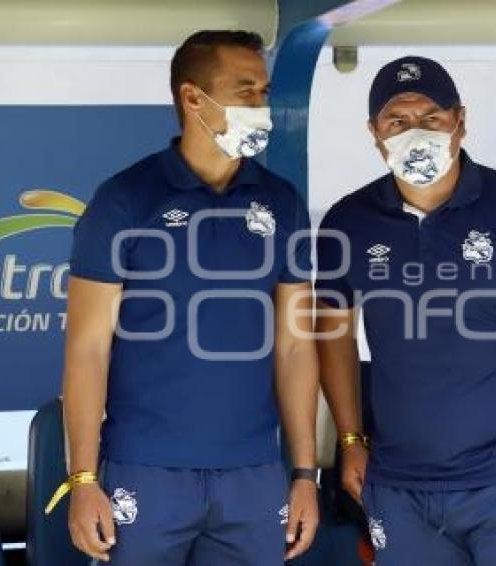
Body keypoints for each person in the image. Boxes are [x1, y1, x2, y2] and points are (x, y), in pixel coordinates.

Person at [316, 55, 496, 565]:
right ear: (374, 132)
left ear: (460, 121)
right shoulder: (349, 224)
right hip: (399, 486)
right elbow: (333, 336)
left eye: (431, 118)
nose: (415, 132)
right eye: (397, 121)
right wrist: (350, 439)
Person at [50, 30, 320, 565]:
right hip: (145, 472)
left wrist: (305, 474)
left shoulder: (281, 202)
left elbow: (294, 347)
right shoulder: (126, 200)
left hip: (253, 473)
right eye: (244, 90)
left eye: (263, 92)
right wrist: (82, 477)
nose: (260, 106)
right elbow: (86, 349)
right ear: (192, 97)